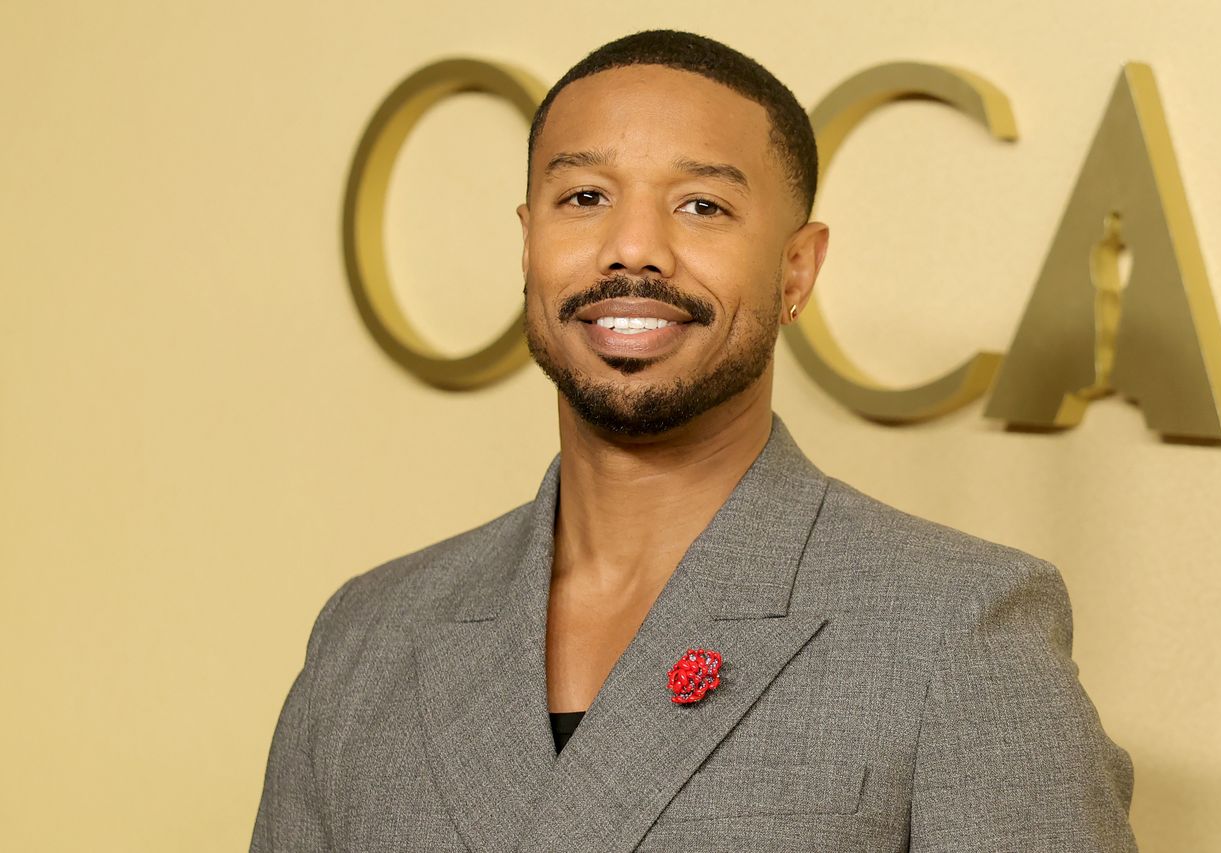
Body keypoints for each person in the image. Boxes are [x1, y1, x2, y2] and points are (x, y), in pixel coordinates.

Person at [251, 30, 1137, 852]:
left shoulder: (958, 627)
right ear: (528, 246)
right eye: (585, 197)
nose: (633, 248)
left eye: (703, 205)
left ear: (797, 268)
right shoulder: (369, 633)